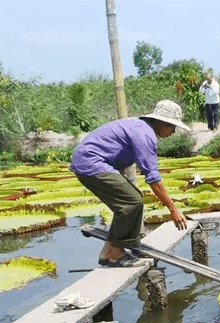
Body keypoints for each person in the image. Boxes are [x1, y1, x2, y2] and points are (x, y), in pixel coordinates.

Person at [71, 100, 190, 267]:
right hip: (90, 162)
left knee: (130, 201)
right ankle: (116, 253)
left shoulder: (139, 127)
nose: (174, 132)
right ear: (163, 123)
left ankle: (111, 251)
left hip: (88, 161)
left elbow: (115, 152)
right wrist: (173, 209)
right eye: (173, 127)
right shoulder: (145, 135)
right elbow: (153, 179)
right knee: (132, 201)